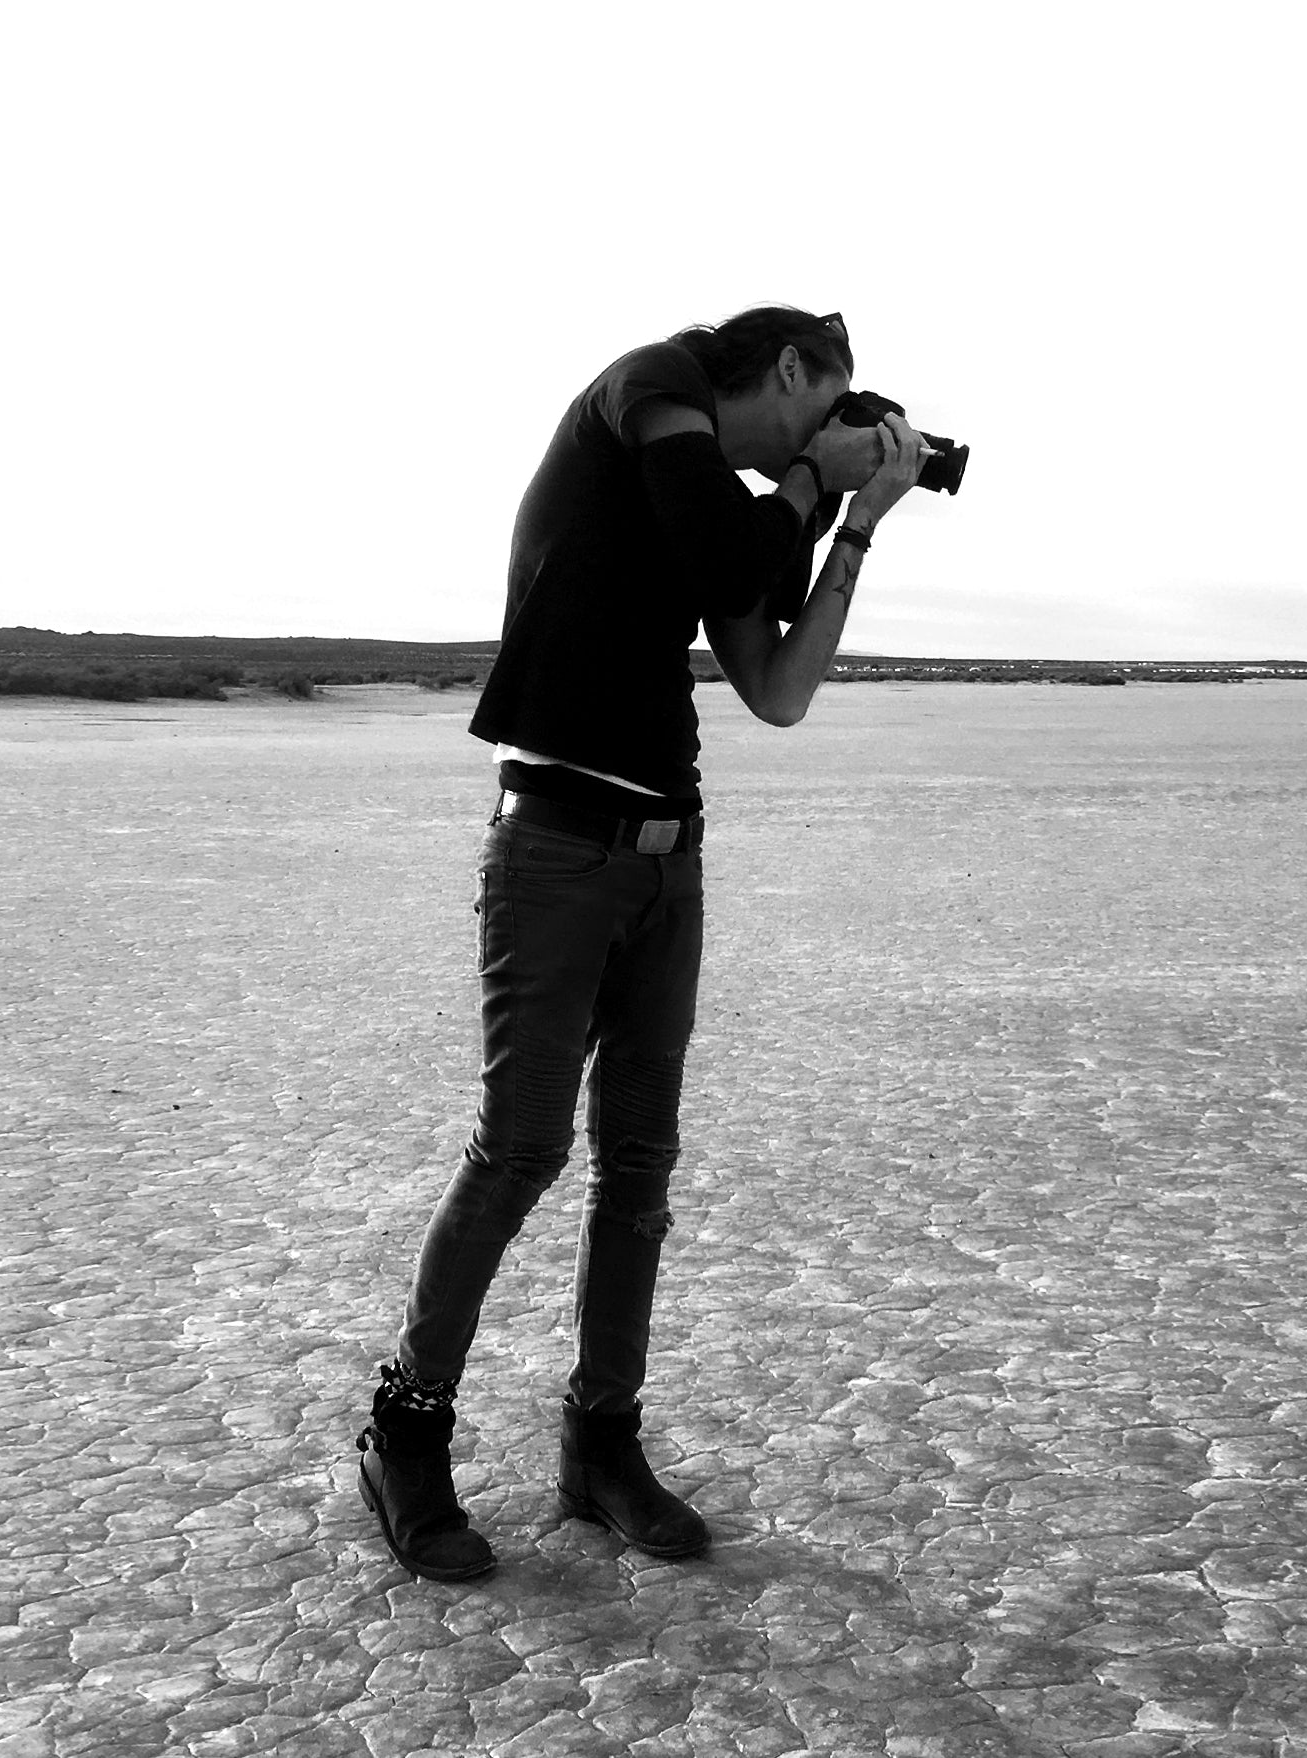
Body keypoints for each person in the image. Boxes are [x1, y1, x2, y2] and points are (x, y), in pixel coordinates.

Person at [357, 306, 930, 1580]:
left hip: (670, 858)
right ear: (788, 371)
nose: (824, 435)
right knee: (519, 1151)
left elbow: (777, 686)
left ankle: (600, 1445)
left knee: (640, 1167)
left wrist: (855, 524)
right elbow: (730, 544)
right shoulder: (650, 389)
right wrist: (803, 481)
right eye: (825, 405)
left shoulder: (713, 514)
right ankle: (404, 1433)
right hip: (558, 847)